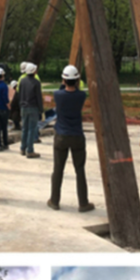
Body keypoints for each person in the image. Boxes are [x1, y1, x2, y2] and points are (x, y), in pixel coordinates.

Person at [48, 64, 95, 213]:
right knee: (80, 170)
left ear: (63, 79)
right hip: (77, 136)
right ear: (77, 80)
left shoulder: (58, 95)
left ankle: (54, 200)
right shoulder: (81, 96)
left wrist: (64, 82)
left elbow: (62, 90)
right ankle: (83, 202)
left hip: (61, 136)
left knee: (58, 169)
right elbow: (77, 90)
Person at [17, 62, 43, 158]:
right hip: (33, 108)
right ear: (34, 71)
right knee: (32, 129)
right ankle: (30, 150)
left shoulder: (22, 81)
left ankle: (22, 148)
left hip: (23, 107)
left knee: (25, 129)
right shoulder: (36, 82)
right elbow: (38, 97)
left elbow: (19, 94)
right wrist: (41, 110)